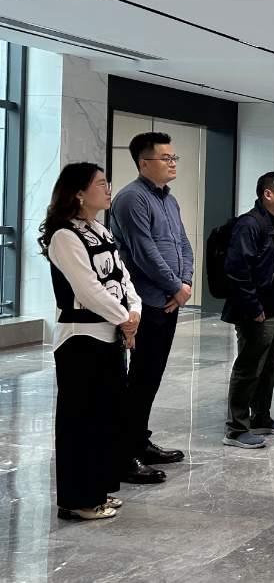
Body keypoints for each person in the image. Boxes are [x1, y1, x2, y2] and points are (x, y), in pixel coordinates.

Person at [41, 163, 142, 519]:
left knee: (105, 419)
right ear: (79, 193)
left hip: (109, 336)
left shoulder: (99, 229)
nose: (108, 188)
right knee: (81, 422)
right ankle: (78, 500)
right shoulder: (64, 235)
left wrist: (134, 311)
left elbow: (123, 277)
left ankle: (97, 490)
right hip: (80, 341)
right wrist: (124, 319)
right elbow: (87, 289)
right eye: (100, 184)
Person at [109, 132, 192, 482]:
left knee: (152, 375)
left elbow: (183, 244)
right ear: (144, 163)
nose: (172, 163)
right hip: (144, 303)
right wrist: (176, 287)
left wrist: (185, 284)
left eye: (174, 158)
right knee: (141, 378)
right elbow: (144, 253)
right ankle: (124, 454)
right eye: (165, 158)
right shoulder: (131, 199)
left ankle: (139, 442)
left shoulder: (168, 199)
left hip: (168, 301)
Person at [221, 172, 274, 449]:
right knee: (249, 368)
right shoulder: (250, 224)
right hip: (257, 312)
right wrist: (253, 307)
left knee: (268, 367)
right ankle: (236, 429)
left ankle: (261, 417)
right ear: (268, 194)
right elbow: (236, 270)